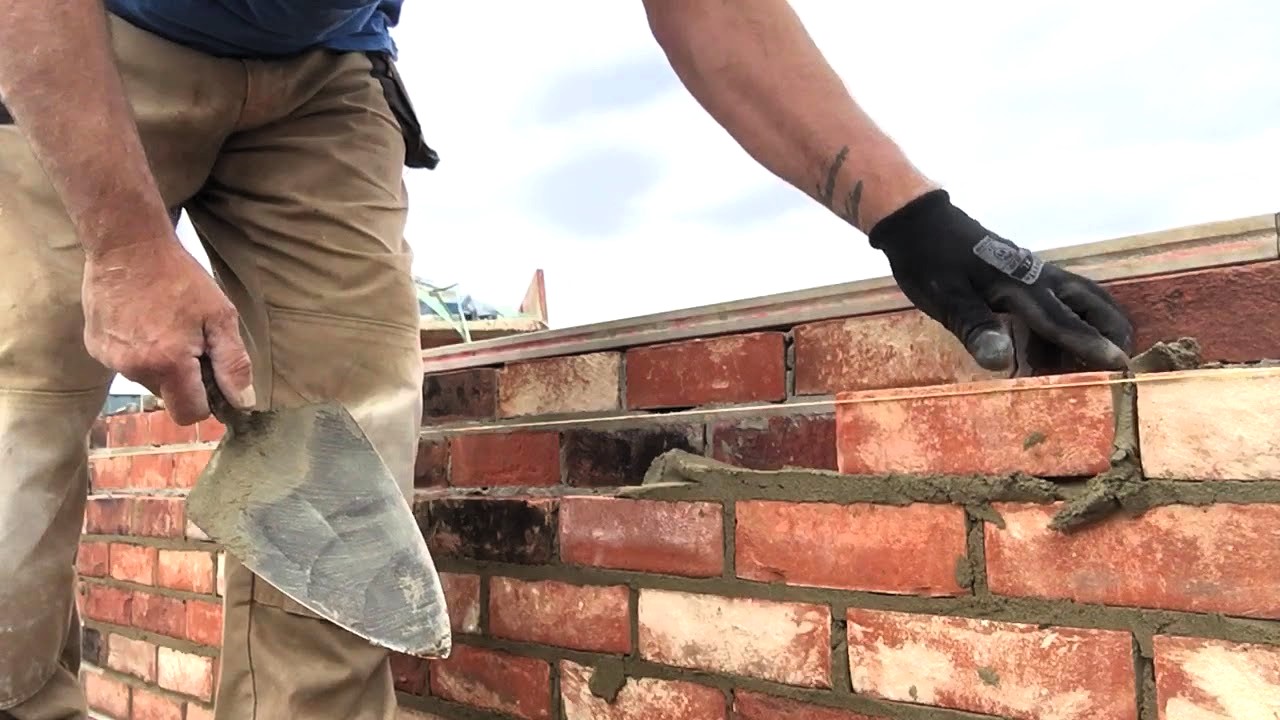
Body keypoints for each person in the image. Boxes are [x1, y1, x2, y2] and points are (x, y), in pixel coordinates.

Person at [0, 1, 1134, 718]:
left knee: (351, 476)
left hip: (324, 70)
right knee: (18, 457)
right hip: (90, 34)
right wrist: (124, 242)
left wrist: (911, 222)